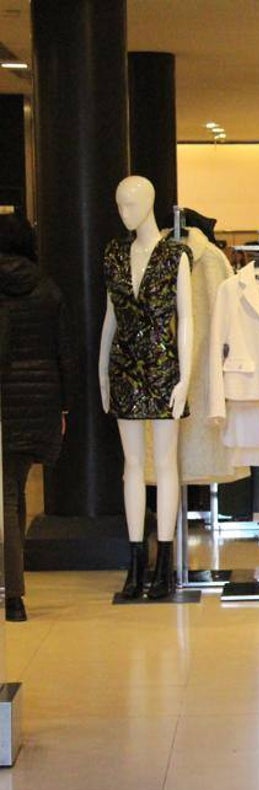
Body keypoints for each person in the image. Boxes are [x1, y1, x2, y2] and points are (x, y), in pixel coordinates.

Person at [98, 175, 193, 601]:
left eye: (130, 204)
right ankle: (135, 563)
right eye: (119, 205)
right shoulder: (115, 253)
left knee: (166, 463)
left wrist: (185, 377)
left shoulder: (176, 255)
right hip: (124, 367)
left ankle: (165, 565)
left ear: (150, 203)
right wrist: (103, 371)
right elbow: (111, 317)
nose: (124, 213)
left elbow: (187, 321)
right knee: (132, 465)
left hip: (162, 367)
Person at [0, 214, 78, 621]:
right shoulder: (48, 290)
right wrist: (63, 407)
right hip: (39, 403)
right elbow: (65, 354)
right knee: (14, 492)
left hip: (4, 403)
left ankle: (13, 594)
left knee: (9, 495)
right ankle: (13, 592)